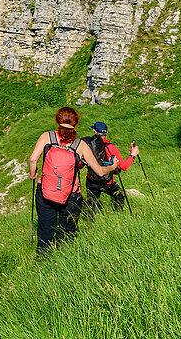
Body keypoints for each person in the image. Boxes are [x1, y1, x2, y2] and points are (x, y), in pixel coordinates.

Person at [28, 107, 118, 256]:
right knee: (68, 233)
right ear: (76, 124)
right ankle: (65, 262)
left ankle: (42, 263)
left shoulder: (47, 137)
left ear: (57, 121)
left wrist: (33, 174)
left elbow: (32, 159)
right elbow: (100, 171)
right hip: (71, 196)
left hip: (45, 192)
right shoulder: (80, 145)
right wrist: (113, 166)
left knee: (45, 231)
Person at [82, 121, 139, 214]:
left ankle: (89, 223)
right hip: (107, 182)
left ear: (95, 132)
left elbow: (81, 165)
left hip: (92, 180)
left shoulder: (88, 146)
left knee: (91, 204)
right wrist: (132, 155)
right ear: (106, 133)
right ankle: (118, 216)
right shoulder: (111, 147)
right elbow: (124, 167)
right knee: (120, 195)